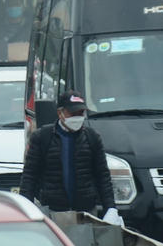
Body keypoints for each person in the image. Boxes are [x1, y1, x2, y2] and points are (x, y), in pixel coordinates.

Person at [19, 90, 121, 226]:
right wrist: (26, 207)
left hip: (86, 212)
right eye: (72, 113)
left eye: (81, 113)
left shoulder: (92, 138)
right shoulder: (42, 137)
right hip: (53, 211)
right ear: (60, 113)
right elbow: (30, 176)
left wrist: (111, 208)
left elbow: (102, 175)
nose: (77, 117)